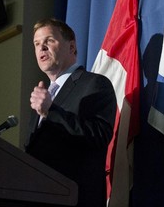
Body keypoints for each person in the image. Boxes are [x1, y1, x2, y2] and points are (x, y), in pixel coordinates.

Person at [25, 18, 117, 207]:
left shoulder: (94, 84)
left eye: (49, 40)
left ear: (72, 47)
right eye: (36, 44)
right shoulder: (42, 98)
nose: (41, 47)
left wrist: (51, 111)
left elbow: (99, 135)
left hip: (76, 198)